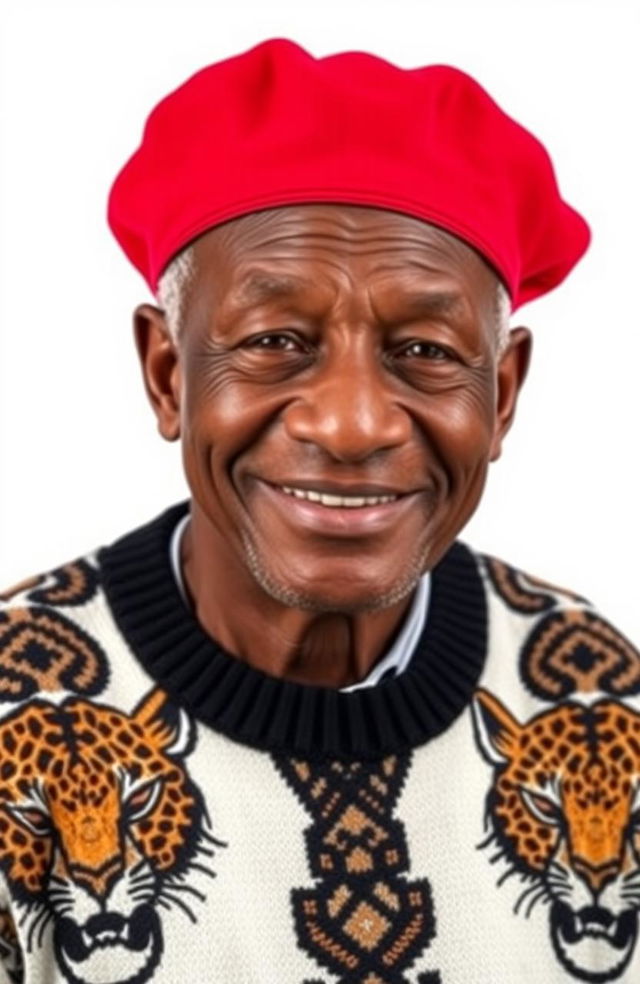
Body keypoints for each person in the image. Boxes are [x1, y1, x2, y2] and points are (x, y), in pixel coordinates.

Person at [0, 37, 638, 984]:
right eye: (276, 340)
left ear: (501, 395)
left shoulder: (595, 700)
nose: (350, 425)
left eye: (424, 350)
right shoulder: (17, 714)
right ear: (168, 374)